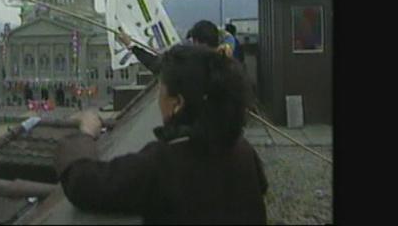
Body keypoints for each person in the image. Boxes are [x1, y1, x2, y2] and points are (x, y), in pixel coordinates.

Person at [54, 46, 267, 224]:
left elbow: (85, 185)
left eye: (161, 90)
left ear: (177, 103)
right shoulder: (243, 150)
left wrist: (85, 135)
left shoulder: (163, 163)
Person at [117, 20, 220, 75]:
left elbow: (156, 65)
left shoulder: (191, 67)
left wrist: (131, 46)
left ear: (196, 42)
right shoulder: (228, 67)